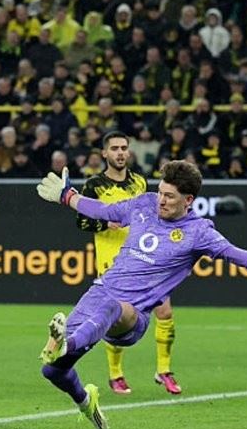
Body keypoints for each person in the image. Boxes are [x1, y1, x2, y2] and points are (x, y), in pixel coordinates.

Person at [34, 160, 247, 429]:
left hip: (132, 316)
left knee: (110, 308)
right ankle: (86, 401)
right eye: (161, 192)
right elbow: (102, 210)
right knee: (53, 370)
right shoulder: (144, 204)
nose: (161, 200)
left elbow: (246, 258)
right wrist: (67, 196)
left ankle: (66, 342)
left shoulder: (199, 233)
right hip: (100, 291)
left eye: (169, 196)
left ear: (188, 200)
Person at [75, 131, 178, 396]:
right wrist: (104, 223)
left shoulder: (139, 182)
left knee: (165, 311)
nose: (120, 153)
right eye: (115, 148)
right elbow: (82, 220)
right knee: (117, 318)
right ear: (104, 154)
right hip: (113, 260)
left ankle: (164, 369)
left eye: (124, 148)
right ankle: (116, 374)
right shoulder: (94, 185)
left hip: (145, 257)